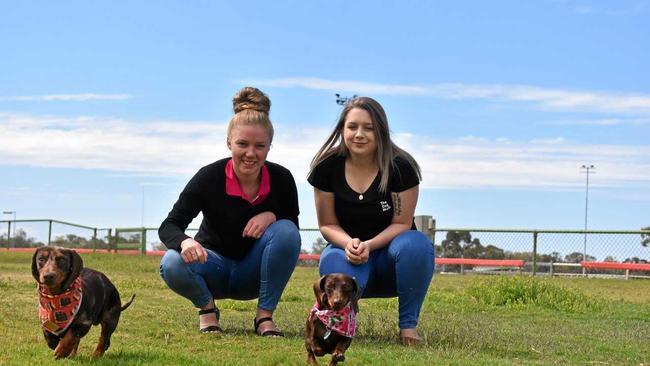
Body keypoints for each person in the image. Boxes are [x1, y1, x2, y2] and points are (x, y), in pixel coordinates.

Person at [159, 87, 301, 337]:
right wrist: (185, 242)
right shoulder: (209, 177)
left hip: (254, 274)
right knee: (171, 262)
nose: (250, 153)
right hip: (213, 268)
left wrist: (272, 216)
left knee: (286, 231)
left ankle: (264, 317)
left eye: (260, 146)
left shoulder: (282, 179)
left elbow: (291, 233)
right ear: (228, 143)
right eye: (242, 144)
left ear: (269, 147)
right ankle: (207, 309)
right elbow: (169, 225)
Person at [307, 96, 435, 345]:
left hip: (391, 261)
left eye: (369, 128)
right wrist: (349, 244)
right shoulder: (327, 167)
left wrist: (369, 245)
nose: (359, 134)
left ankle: (408, 329)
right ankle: (337, 325)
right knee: (331, 257)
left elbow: (401, 222)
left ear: (381, 131)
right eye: (352, 127)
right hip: (348, 257)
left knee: (415, 244)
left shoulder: (400, 167)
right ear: (342, 129)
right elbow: (327, 224)